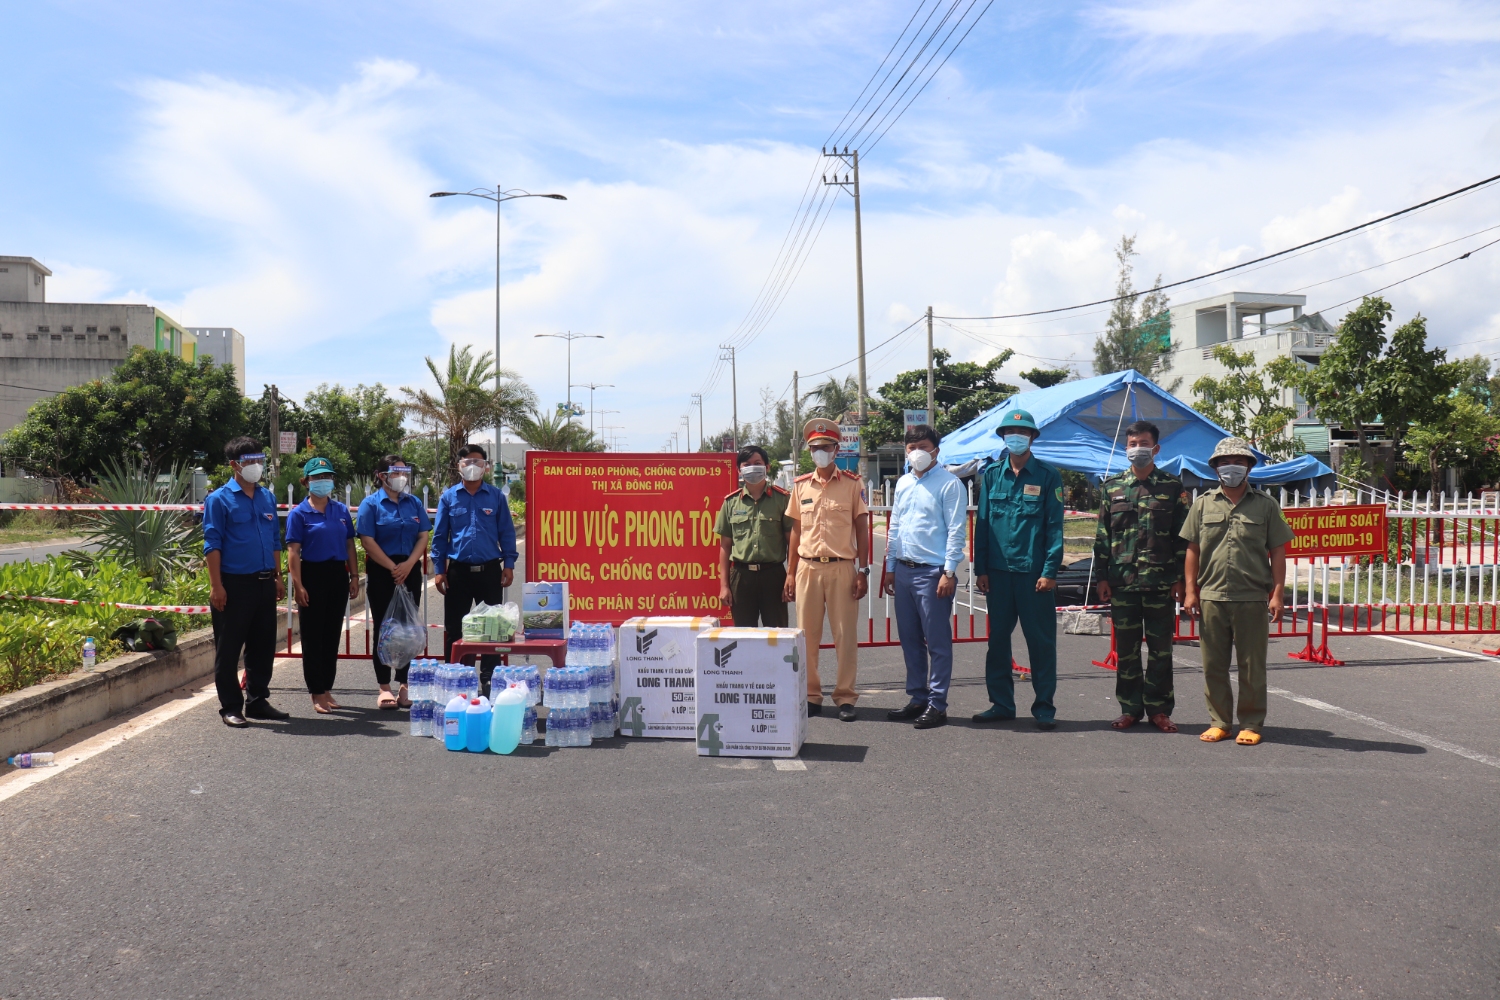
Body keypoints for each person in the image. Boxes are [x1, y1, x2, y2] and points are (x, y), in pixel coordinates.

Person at [1181, 436, 1293, 746]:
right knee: (1213, 665)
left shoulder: (1266, 505)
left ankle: (1251, 723)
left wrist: (1277, 594)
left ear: (1249, 467)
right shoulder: (1202, 504)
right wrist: (1191, 590)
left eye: (1239, 462)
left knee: (1251, 665)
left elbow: (1278, 552)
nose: (1232, 467)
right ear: (1216, 468)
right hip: (1212, 598)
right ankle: (1220, 721)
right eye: (1226, 462)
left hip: (1252, 596)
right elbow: (1192, 549)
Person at [1094, 420, 1191, 733]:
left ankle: (1160, 710)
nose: (1138, 449)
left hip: (1161, 583)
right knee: (1127, 651)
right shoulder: (1111, 488)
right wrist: (1102, 578)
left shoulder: (1173, 487)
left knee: (1162, 651)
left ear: (1156, 448)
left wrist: (1180, 579)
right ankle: (1130, 708)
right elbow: (1103, 536)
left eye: (1144, 443)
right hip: (1123, 583)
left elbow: (1183, 538)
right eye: (1133, 444)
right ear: (1126, 449)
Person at [972, 408, 1065, 730]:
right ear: (1002, 437)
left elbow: (1054, 527)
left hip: (1034, 575)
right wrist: (979, 568)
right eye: (1010, 432)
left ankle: (1044, 708)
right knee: (997, 641)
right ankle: (1001, 704)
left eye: (1023, 432)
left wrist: (1050, 571)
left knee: (1041, 642)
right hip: (998, 575)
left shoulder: (1048, 476)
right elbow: (981, 525)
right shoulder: (992, 475)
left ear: (1032, 437)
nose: (1016, 437)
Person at [879, 424, 966, 730]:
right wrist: (890, 567)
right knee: (910, 640)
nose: (917, 452)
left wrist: (949, 571)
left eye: (923, 447)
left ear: (936, 450)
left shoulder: (950, 484)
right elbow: (895, 527)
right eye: (911, 447)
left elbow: (957, 531)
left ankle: (937, 703)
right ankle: (917, 697)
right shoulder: (903, 483)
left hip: (933, 573)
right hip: (903, 570)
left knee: (937, 642)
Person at [783, 418, 871, 721]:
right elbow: (796, 531)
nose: (820, 451)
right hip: (808, 568)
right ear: (810, 451)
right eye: (815, 448)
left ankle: (845, 697)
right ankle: (811, 695)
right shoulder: (800, 486)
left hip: (841, 567)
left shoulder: (852, 484)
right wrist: (790, 572)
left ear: (836, 449)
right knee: (806, 636)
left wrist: (864, 570)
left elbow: (862, 528)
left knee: (845, 635)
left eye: (825, 447)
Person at [203, 437, 290, 728]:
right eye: (250, 461)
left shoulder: (266, 497)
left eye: (259, 460)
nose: (256, 466)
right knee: (228, 649)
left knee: (263, 645)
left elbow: (274, 540)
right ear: (234, 465)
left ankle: (257, 700)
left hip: (265, 582)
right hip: (234, 584)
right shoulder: (218, 499)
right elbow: (212, 544)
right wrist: (217, 586)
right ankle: (230, 706)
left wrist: (278, 577)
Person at [431, 444, 517, 682]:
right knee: (455, 628)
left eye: (477, 462)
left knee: (492, 628)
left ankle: (489, 676)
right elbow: (440, 536)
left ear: (485, 467)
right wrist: (439, 570)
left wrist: (508, 564)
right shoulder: (449, 497)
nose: (472, 467)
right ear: (459, 466)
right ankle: (456, 676)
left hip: (489, 571)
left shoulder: (496, 497)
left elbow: (507, 533)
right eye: (467, 462)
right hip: (458, 572)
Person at [285, 457, 360, 714]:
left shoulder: (340, 511)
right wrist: (298, 584)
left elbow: (350, 544)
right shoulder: (299, 514)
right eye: (316, 477)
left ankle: (327, 688)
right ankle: (316, 691)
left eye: (327, 476)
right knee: (312, 636)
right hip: (312, 575)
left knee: (331, 636)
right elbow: (293, 551)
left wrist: (354, 576)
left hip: (337, 574)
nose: (322, 481)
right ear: (306, 481)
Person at [357, 455, 432, 709]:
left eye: (404, 471)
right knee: (384, 626)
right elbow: (367, 540)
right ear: (382, 475)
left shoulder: (414, 503)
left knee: (408, 627)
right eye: (396, 472)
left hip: (409, 568)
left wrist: (409, 564)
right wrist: (392, 567)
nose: (402, 476)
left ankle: (404, 684)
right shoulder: (371, 504)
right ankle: (384, 687)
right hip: (382, 571)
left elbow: (423, 535)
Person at [715, 445, 794, 628]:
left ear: (767, 467)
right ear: (739, 470)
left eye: (757, 463)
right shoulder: (730, 503)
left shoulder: (782, 500)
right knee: (744, 635)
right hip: (741, 577)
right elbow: (725, 547)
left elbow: (792, 542)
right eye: (747, 464)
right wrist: (724, 586)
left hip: (773, 576)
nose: (752, 467)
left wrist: (791, 576)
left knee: (777, 633)